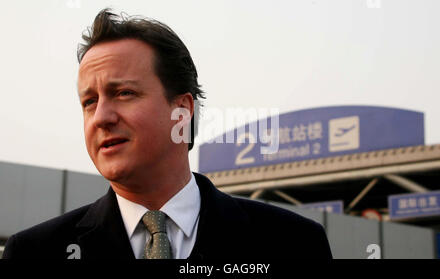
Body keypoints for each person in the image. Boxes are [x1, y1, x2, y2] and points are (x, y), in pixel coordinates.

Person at [2, 9, 332, 259]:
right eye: (89, 102)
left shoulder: (292, 243)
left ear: (181, 111)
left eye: (124, 93)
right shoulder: (33, 253)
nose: (101, 117)